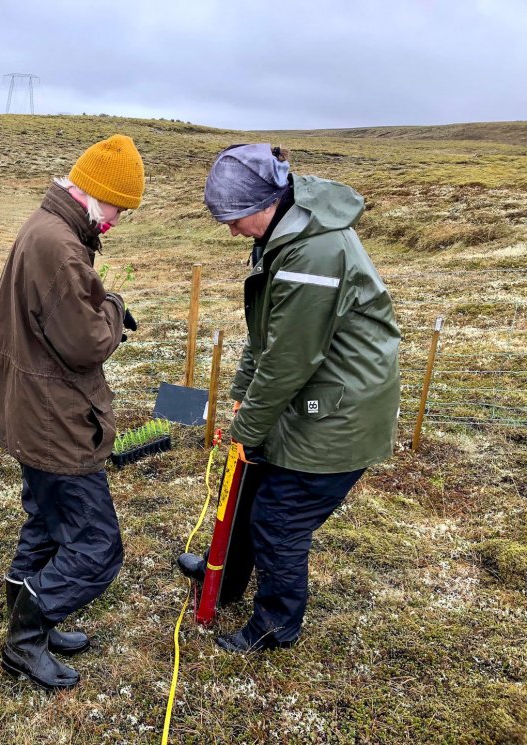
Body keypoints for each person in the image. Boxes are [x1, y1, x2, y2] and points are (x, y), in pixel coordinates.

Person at [182, 144, 400, 653]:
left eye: (234, 219)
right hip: (310, 393)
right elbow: (268, 338)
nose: (231, 231)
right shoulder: (285, 232)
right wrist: (241, 400)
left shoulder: (312, 253)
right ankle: (225, 575)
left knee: (279, 520)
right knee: (250, 482)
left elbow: (290, 360)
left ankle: (275, 626)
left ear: (265, 203)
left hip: (340, 411)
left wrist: (245, 429)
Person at [0, 134, 145, 690]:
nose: (118, 221)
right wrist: (116, 308)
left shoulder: (43, 228)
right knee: (99, 548)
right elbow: (86, 343)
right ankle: (25, 640)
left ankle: (26, 617)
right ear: (96, 195)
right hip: (55, 419)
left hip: (32, 409)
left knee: (48, 522)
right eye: (119, 208)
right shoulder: (60, 246)